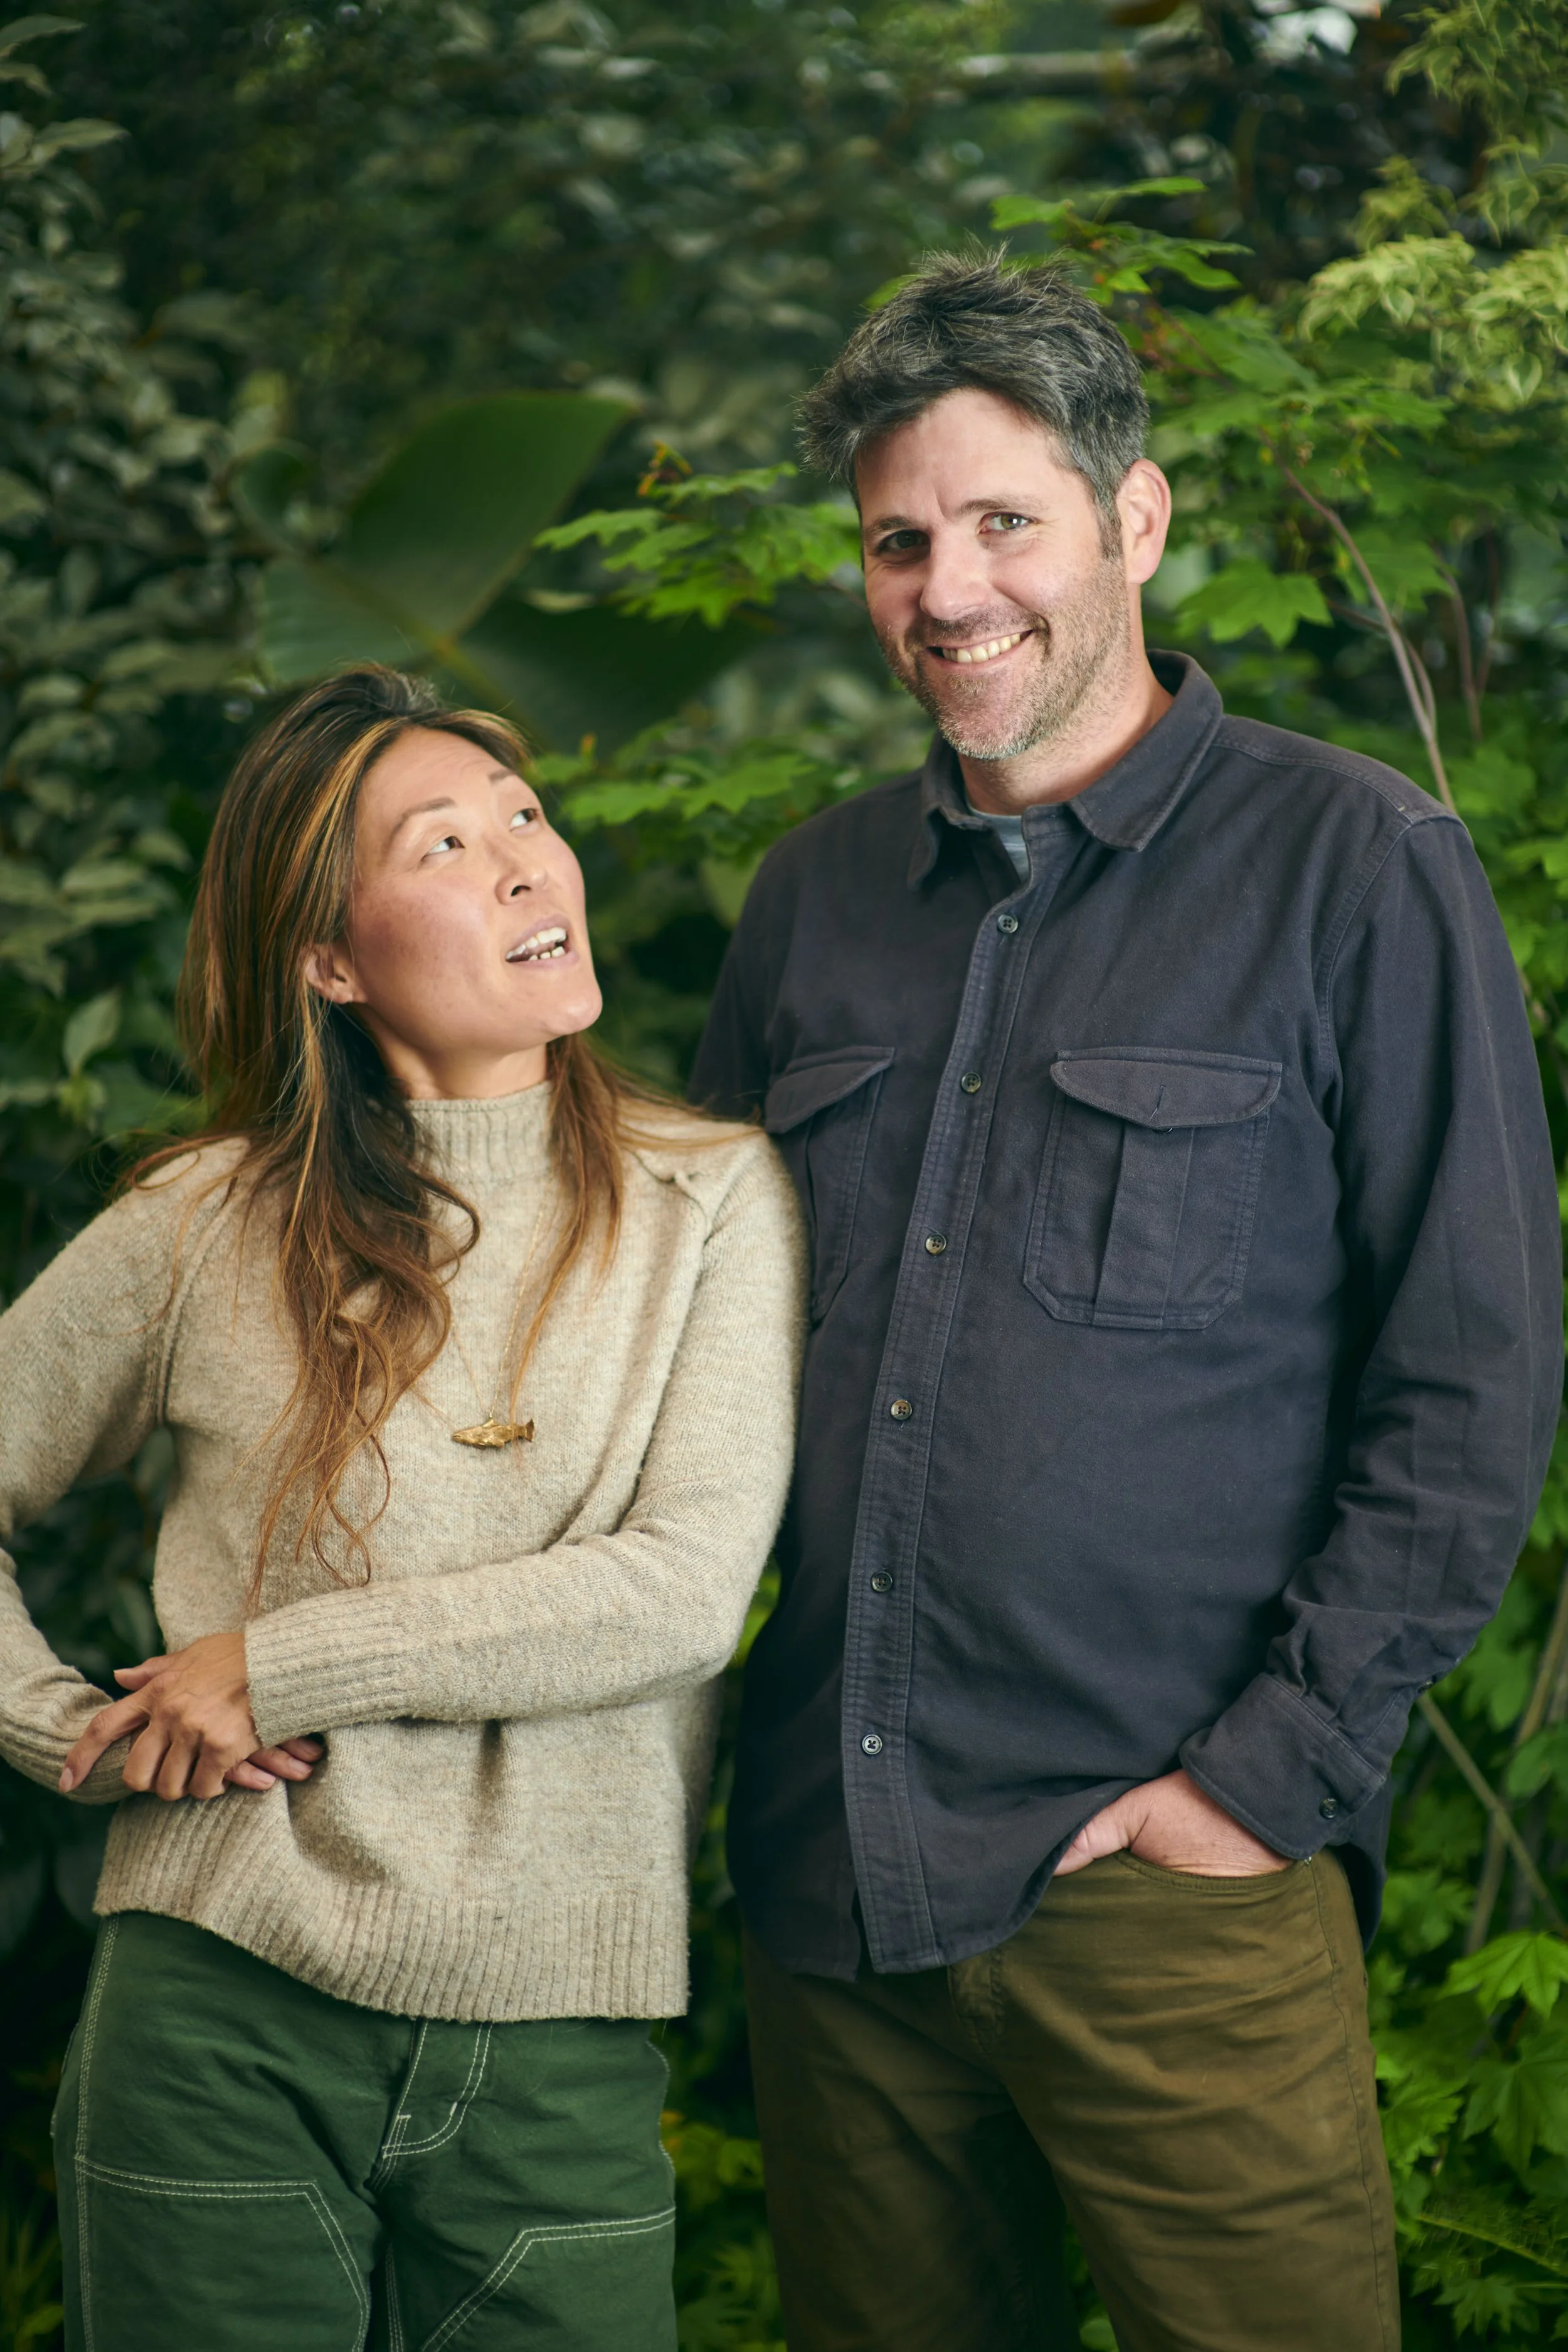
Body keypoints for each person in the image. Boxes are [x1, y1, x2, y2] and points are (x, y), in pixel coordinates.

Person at [690, 255, 1561, 2352]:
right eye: (902, 539)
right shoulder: (809, 898)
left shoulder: (1357, 867)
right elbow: (675, 1346)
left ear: (1135, 521)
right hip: (838, 1881)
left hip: (1172, 1886)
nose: (948, 587)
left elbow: (1469, 1381)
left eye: (1006, 523)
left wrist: (1264, 1783)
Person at [0, 664, 804, 2352]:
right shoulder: (203, 1225)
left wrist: (270, 1664)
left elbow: (673, 1592)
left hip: (561, 2033)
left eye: (524, 817)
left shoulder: (710, 1199)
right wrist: (57, 1721)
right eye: (445, 842)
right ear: (330, 956)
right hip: (218, 2006)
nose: (524, 861)